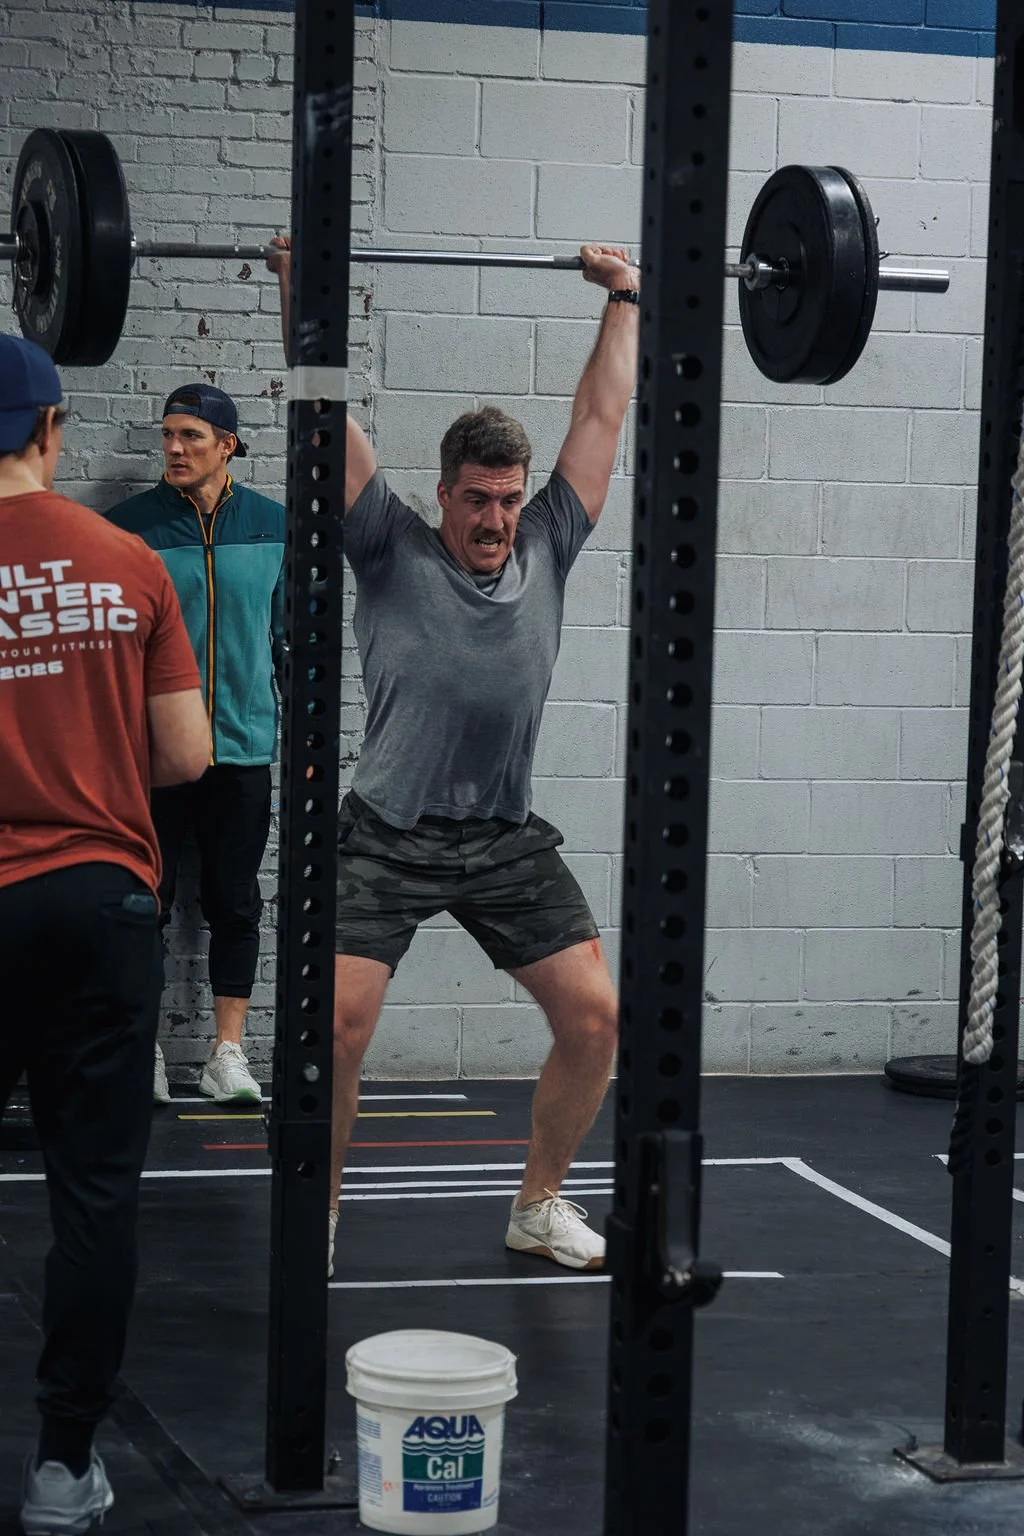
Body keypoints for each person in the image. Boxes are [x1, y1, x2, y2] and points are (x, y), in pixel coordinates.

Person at [269, 237, 638, 1275]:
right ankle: (322, 1216)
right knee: (336, 1023)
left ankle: (538, 1203)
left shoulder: (549, 542)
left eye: (509, 498)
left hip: (504, 837)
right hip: (385, 834)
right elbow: (322, 419)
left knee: (597, 1017)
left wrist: (624, 299)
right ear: (443, 493)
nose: (495, 518)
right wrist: (305, 288)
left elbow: (601, 419)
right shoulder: (385, 543)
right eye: (478, 498)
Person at [0, 335, 210, 1534]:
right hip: (99, 900)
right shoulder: (128, 559)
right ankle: (61, 1472)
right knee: (93, 1195)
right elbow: (185, 756)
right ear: (50, 432)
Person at [107, 386, 286, 1106]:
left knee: (235, 902)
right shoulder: (128, 529)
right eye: (168, 436)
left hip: (245, 748)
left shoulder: (274, 525)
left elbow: (292, 639)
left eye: (191, 436)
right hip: (152, 753)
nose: (174, 449)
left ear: (228, 445)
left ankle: (227, 1053)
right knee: (144, 899)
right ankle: (144, 1049)